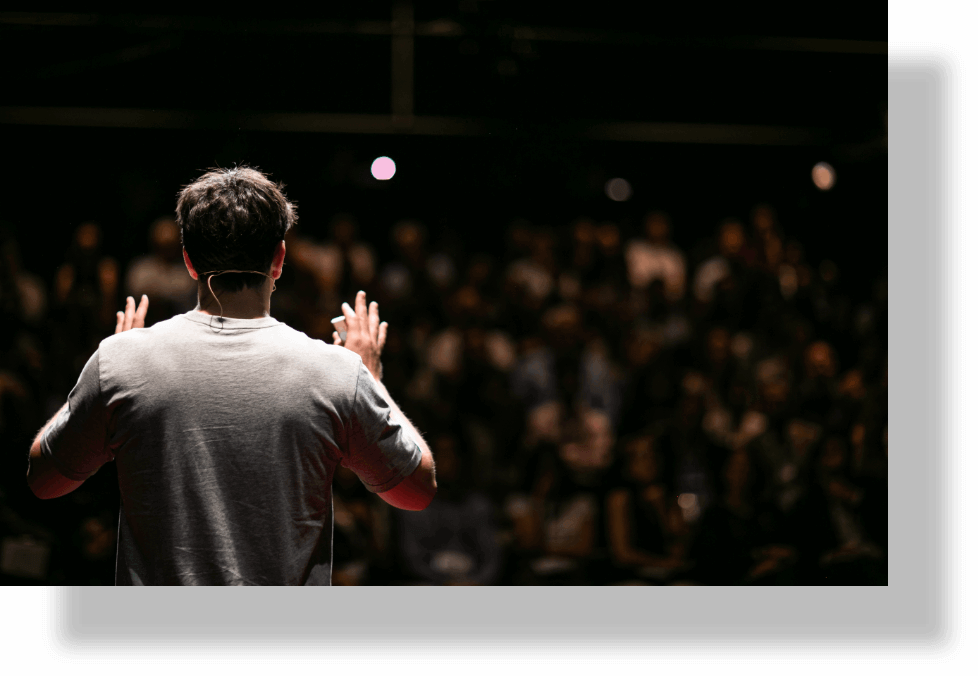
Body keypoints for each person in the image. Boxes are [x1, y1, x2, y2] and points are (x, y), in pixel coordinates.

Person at [25, 166, 437, 586]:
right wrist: (370, 377)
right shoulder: (336, 371)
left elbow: (44, 481)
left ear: (188, 260)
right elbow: (416, 491)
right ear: (279, 258)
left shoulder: (121, 360)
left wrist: (111, 371)